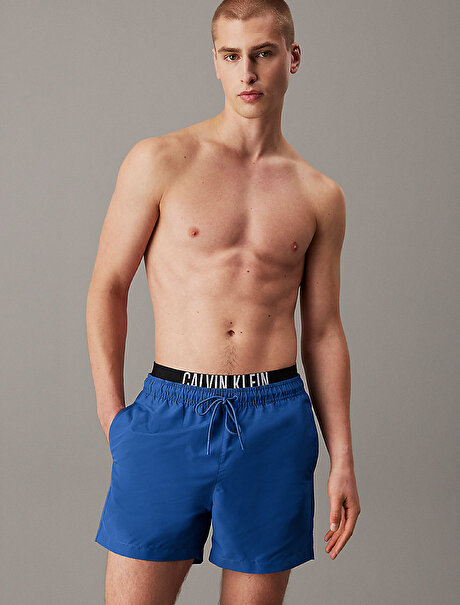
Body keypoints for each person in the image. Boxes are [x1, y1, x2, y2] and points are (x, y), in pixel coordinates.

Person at [86, 0, 361, 603]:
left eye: (263, 54)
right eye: (231, 56)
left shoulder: (320, 195)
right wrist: (114, 420)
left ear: (292, 57)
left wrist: (342, 455)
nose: (248, 73)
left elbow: (323, 330)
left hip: (275, 419)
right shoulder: (160, 161)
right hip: (169, 414)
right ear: (214, 62)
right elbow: (108, 285)